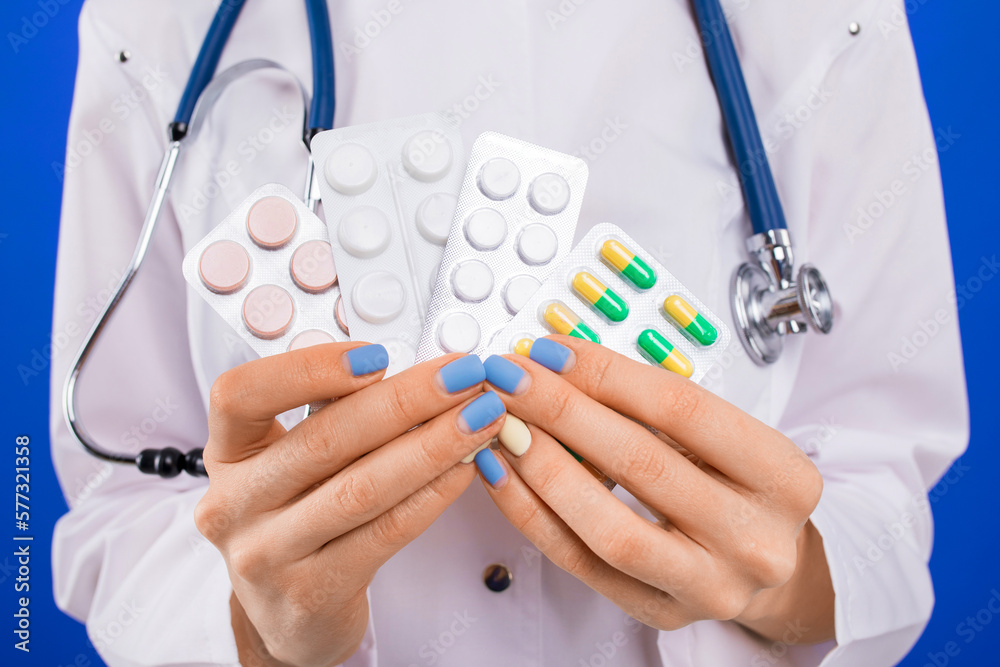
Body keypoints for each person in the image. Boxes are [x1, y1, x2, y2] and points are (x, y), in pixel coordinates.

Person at [49, 1, 968, 665]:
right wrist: (257, 631)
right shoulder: (160, 21)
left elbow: (880, 487)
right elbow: (116, 506)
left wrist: (779, 583)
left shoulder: (832, 18)